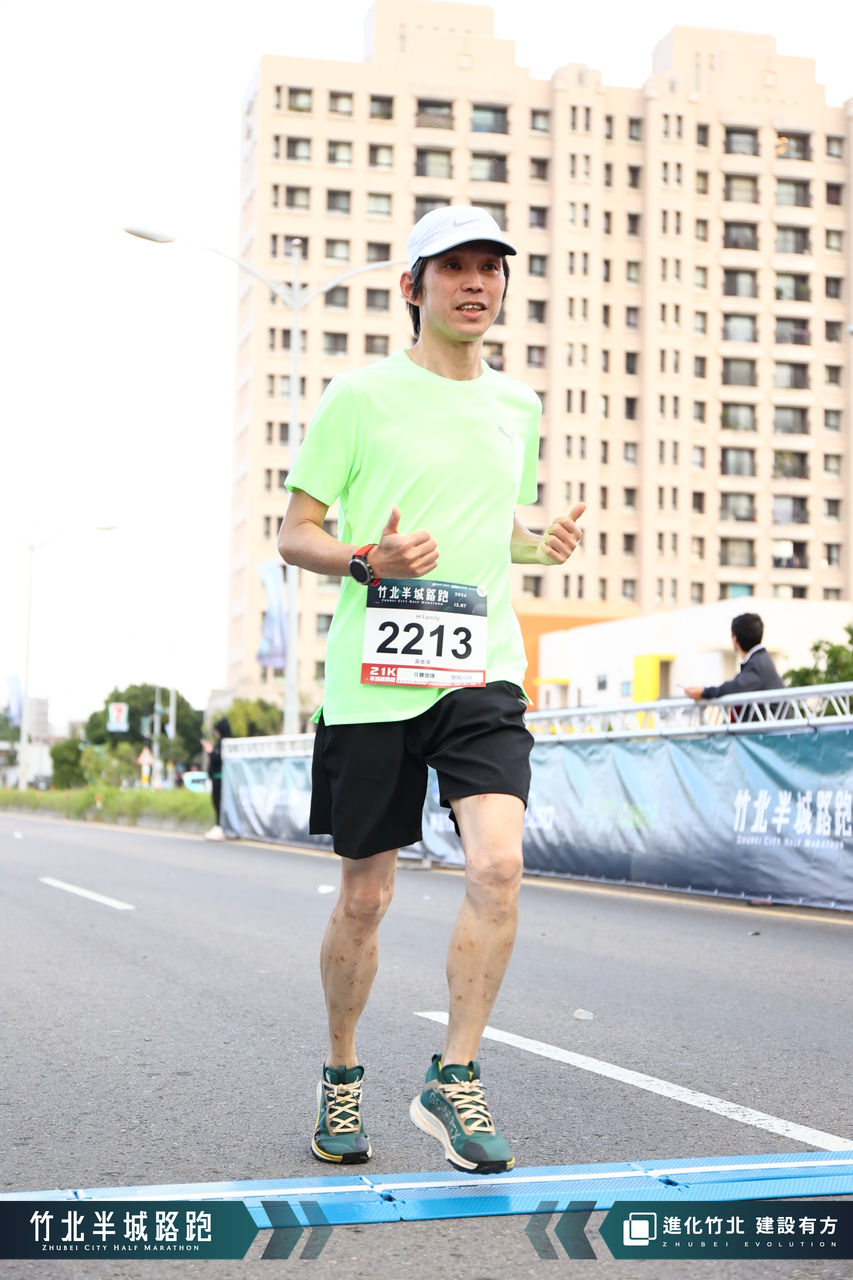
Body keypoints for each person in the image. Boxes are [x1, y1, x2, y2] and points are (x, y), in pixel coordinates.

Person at [278, 204, 585, 1175]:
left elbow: (492, 526)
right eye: (453, 266)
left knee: (497, 865)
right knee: (366, 897)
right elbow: (295, 532)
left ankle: (453, 1075)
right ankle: (340, 1071)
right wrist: (364, 559)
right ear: (412, 286)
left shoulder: (518, 407)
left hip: (479, 667)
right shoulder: (359, 397)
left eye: (490, 266)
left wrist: (540, 543)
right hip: (375, 677)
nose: (475, 282)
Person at [683, 613, 785, 705]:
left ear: (735, 639)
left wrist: (704, 692)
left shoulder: (758, 664)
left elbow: (735, 686)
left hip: (773, 720)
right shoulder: (761, 659)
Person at [201, 717, 232, 840]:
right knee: (216, 803)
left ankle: (221, 828)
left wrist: (210, 751)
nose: (215, 733)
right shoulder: (220, 743)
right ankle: (218, 826)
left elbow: (218, 759)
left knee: (220, 803)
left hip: (221, 778)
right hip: (216, 778)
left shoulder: (226, 744)